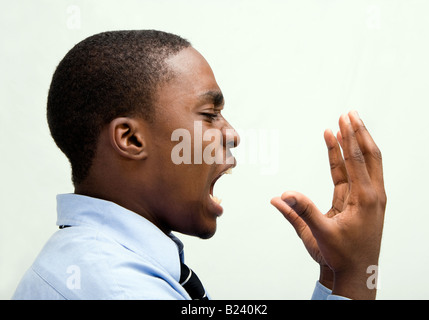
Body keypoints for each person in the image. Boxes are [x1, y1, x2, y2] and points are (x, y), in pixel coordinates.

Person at [12, 30, 386, 300]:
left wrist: (337, 277)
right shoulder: (119, 288)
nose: (233, 133)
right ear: (131, 139)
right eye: (210, 114)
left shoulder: (95, 264)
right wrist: (355, 278)